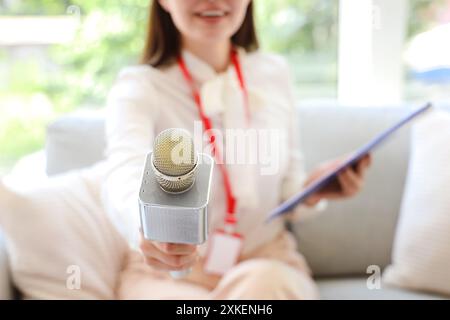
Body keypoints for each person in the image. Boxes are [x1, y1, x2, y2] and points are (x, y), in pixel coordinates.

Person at [102, 0, 371, 300]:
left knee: (265, 284)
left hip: (266, 262)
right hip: (170, 273)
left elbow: (287, 188)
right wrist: (148, 227)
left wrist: (314, 190)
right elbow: (123, 173)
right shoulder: (140, 86)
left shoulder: (274, 74)